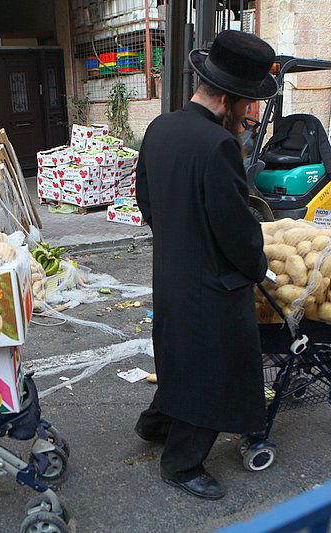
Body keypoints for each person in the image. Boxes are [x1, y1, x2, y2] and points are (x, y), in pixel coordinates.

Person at [134, 30, 276, 500]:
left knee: (179, 354)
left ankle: (155, 422)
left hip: (171, 271)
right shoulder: (218, 145)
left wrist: (178, 239)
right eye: (248, 104)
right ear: (230, 99)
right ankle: (182, 463)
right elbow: (236, 229)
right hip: (213, 283)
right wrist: (258, 266)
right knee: (215, 372)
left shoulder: (161, 127)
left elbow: (146, 202)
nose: (249, 114)